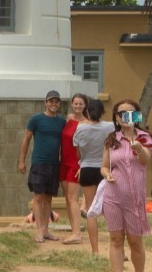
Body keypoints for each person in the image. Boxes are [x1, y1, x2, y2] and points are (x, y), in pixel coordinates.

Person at [101, 98, 152, 272]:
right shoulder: (111, 140)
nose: (126, 117)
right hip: (113, 197)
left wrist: (138, 148)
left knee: (135, 241)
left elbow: (146, 159)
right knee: (116, 240)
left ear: (137, 116)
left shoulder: (144, 137)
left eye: (130, 113)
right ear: (116, 117)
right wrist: (107, 174)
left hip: (135, 199)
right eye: (122, 114)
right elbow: (104, 165)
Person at [17, 91, 67, 244]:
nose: (54, 104)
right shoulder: (36, 120)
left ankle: (46, 230)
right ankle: (39, 230)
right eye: (51, 101)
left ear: (59, 104)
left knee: (48, 199)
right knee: (38, 197)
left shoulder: (61, 122)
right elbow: (26, 140)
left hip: (54, 164)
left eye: (56, 102)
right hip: (39, 163)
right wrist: (21, 161)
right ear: (45, 103)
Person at [71, 96, 110, 254]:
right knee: (110, 209)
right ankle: (118, 248)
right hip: (103, 168)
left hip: (87, 168)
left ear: (87, 111)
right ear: (102, 112)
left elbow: (78, 154)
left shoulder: (80, 128)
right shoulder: (109, 126)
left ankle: (95, 250)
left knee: (91, 209)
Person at [58, 94, 88, 242]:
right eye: (75, 104)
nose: (78, 106)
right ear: (71, 104)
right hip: (63, 162)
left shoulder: (86, 123)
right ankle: (73, 229)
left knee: (73, 198)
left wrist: (83, 164)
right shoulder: (69, 119)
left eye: (80, 104)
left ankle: (77, 233)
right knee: (67, 199)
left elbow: (88, 146)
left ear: (85, 105)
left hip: (76, 164)